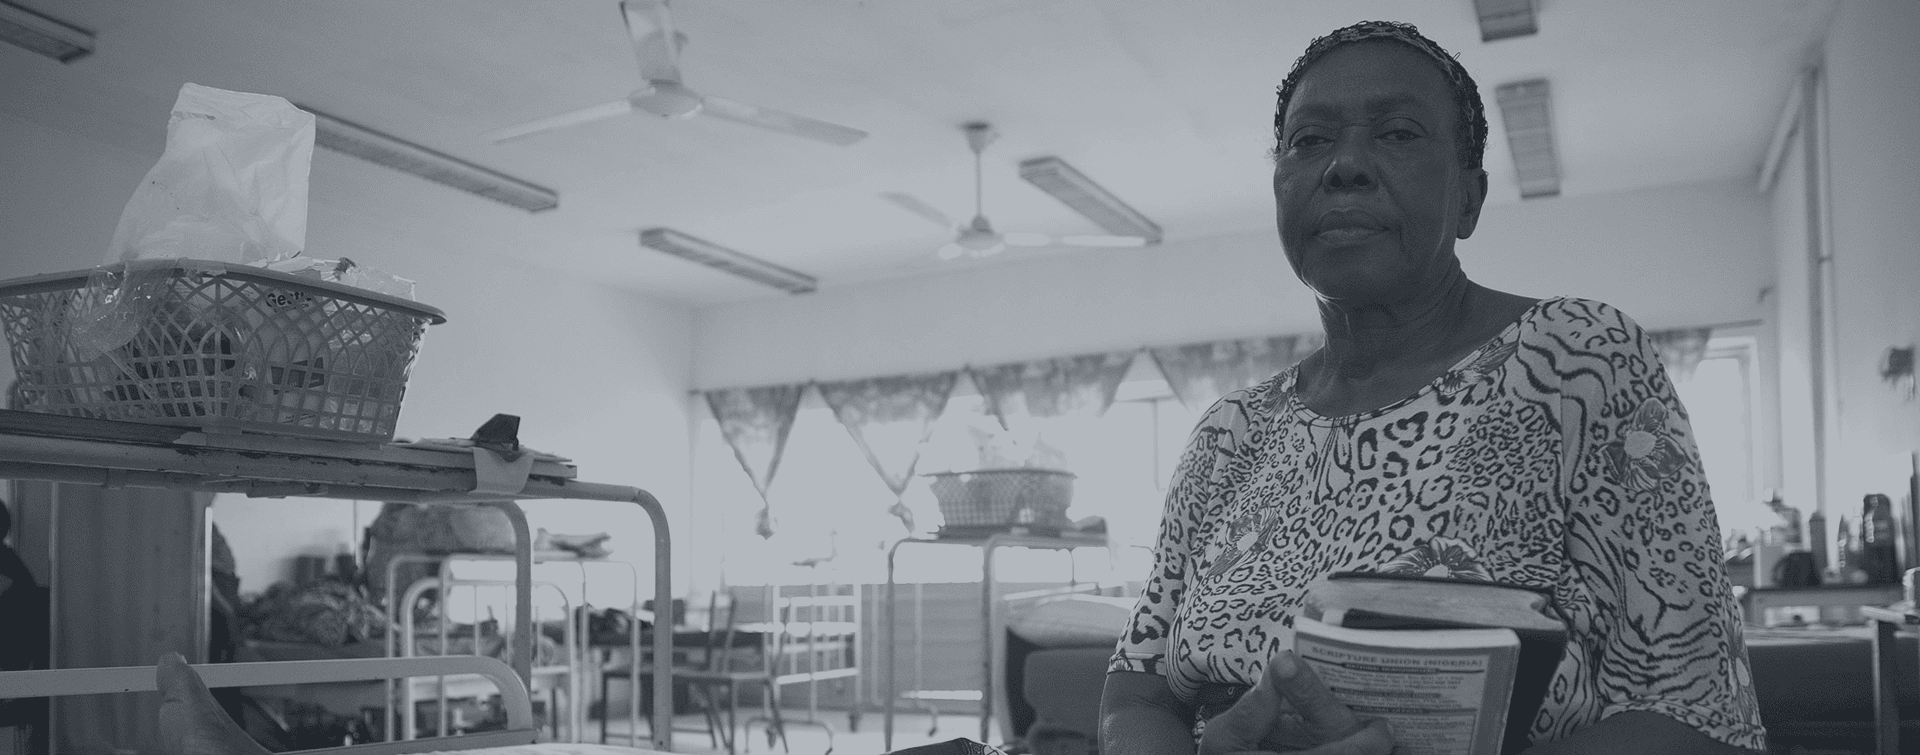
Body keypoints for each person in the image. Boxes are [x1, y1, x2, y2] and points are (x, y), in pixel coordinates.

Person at [1099, 20, 1766, 755]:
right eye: (1309, 140)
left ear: (1469, 199)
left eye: (1398, 134)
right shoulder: (1231, 433)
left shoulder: (1576, 364)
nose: (1344, 166)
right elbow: (1136, 689)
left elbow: (1696, 713)